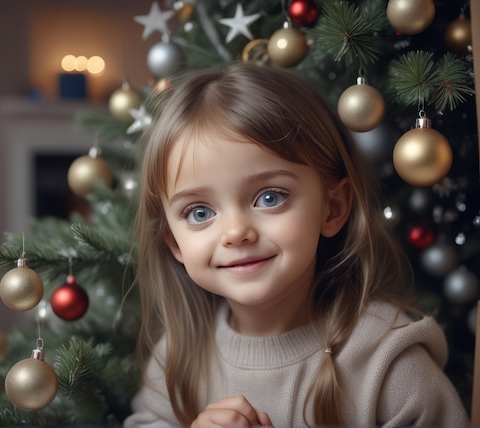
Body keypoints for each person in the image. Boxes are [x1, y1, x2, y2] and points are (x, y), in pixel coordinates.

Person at [124, 62, 469, 427]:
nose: (235, 232)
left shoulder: (389, 364)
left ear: (332, 208)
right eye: (198, 212)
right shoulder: (178, 357)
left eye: (270, 197)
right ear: (174, 243)